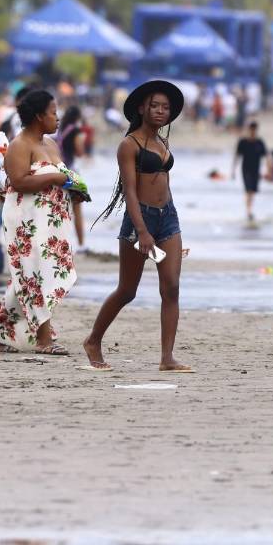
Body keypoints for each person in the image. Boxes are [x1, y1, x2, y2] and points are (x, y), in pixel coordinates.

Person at [84, 81, 191, 372]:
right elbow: (130, 191)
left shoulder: (162, 143)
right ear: (142, 108)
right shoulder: (128, 145)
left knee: (171, 288)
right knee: (127, 290)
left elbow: (164, 184)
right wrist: (142, 232)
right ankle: (93, 340)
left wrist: (174, 234)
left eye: (165, 107)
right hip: (138, 220)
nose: (160, 111)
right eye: (155, 105)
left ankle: (167, 358)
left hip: (168, 218)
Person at [0, 90, 81, 354]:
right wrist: (56, 179)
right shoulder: (19, 145)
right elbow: (18, 181)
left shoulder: (51, 144)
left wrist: (74, 186)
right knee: (35, 273)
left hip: (50, 220)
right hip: (25, 219)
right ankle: (44, 339)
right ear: (39, 116)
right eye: (53, 113)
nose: (57, 118)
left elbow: (62, 176)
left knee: (29, 274)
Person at [56, 105, 88, 249]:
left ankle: (59, 242)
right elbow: (80, 152)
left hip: (58, 171)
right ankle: (81, 245)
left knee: (59, 209)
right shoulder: (76, 131)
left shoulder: (60, 130)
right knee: (77, 211)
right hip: (72, 173)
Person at [233, 121, 267, 222]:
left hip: (256, 170)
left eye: (254, 129)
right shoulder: (243, 142)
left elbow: (266, 156)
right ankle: (248, 211)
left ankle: (249, 210)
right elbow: (237, 156)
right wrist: (233, 170)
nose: (252, 131)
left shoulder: (260, 142)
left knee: (252, 191)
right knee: (248, 190)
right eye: (251, 129)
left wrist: (268, 170)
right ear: (248, 129)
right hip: (246, 169)